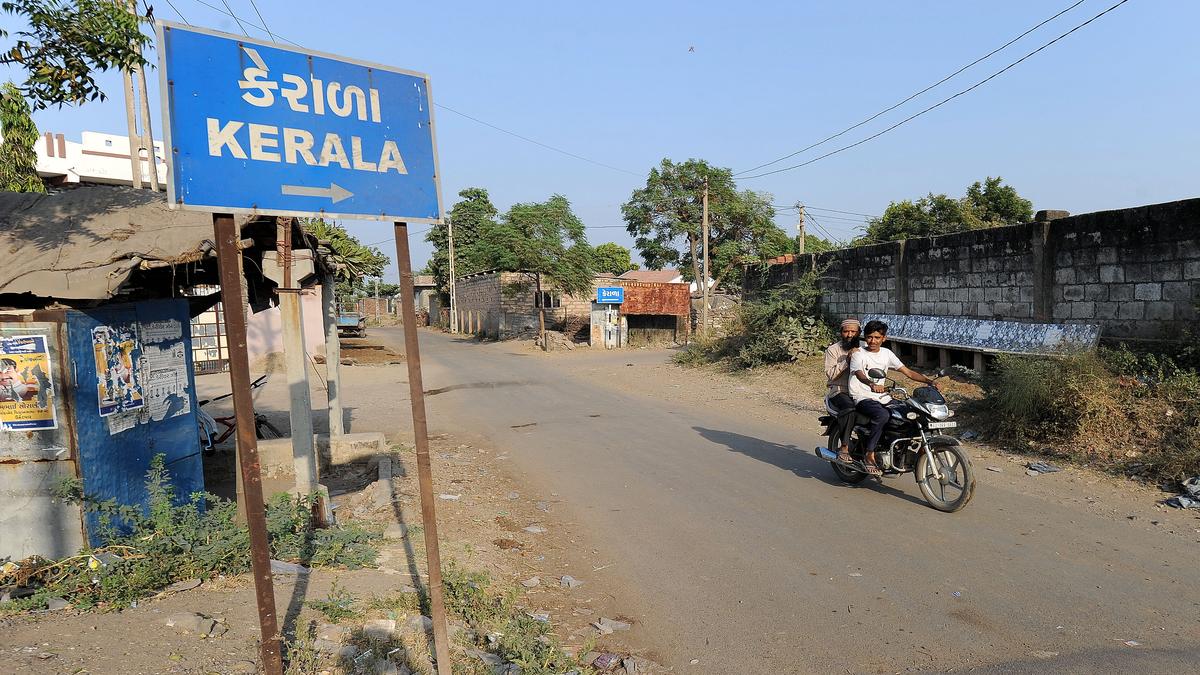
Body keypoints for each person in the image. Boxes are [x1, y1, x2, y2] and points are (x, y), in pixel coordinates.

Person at [849, 320, 939, 475]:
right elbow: (859, 373)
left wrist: (929, 381)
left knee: (911, 413)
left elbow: (908, 372)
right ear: (865, 337)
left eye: (877, 337)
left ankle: (902, 449)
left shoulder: (887, 353)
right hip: (862, 396)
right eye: (870, 337)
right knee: (882, 415)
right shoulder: (858, 354)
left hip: (883, 397)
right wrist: (871, 384)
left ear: (884, 338)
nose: (873, 341)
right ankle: (869, 453)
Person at [823, 318, 861, 463]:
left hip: (862, 391)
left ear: (859, 333)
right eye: (846, 331)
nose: (849, 334)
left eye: (853, 331)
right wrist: (847, 360)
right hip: (840, 390)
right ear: (841, 333)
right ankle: (844, 447)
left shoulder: (864, 349)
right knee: (850, 409)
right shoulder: (833, 350)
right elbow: (831, 375)